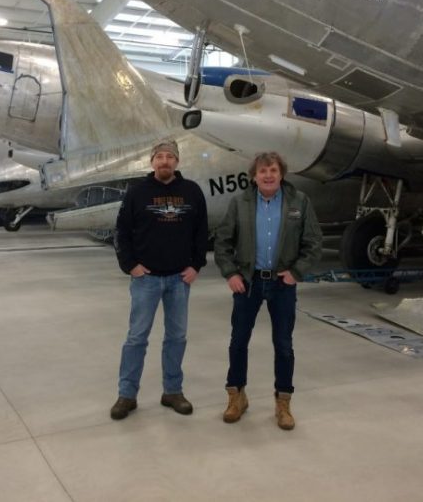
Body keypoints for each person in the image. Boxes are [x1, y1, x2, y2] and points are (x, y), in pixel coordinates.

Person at [214, 152, 321, 430]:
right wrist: (231, 273)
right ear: (254, 176)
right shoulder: (240, 203)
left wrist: (296, 272)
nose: (268, 175)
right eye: (263, 171)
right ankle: (237, 396)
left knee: (284, 345)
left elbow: (313, 243)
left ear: (281, 173)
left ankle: (283, 403)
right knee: (238, 341)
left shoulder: (300, 202)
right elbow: (223, 243)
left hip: (282, 284)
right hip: (248, 283)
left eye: (273, 170)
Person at [110, 138, 208, 420]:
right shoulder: (137, 193)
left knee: (176, 337)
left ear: (177, 161)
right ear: (152, 161)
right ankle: (126, 395)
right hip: (146, 279)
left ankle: (172, 391)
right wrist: (130, 266)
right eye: (160, 157)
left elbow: (202, 231)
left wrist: (196, 265)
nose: (164, 161)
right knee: (136, 338)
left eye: (170, 157)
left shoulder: (192, 191)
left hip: (180, 279)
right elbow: (122, 231)